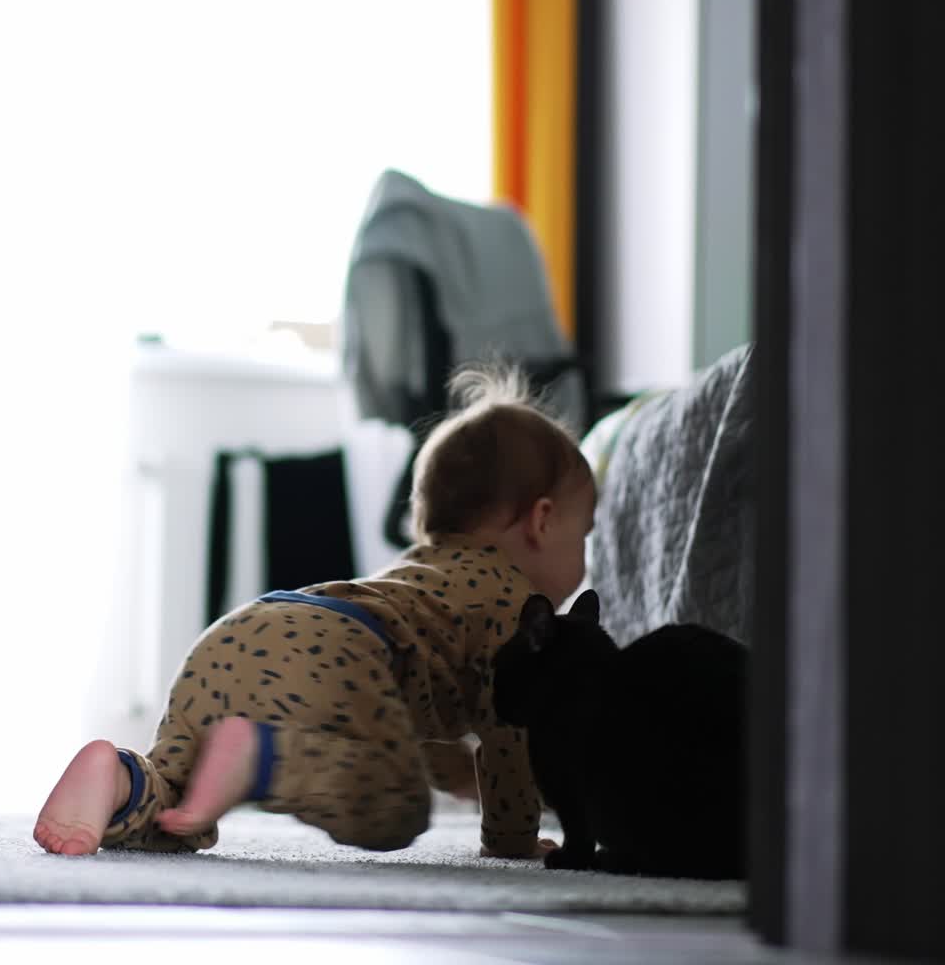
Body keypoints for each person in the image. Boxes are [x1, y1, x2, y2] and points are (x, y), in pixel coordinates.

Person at [34, 361, 596, 860]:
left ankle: (121, 781)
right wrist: (514, 839)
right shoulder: (515, 605)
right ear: (542, 522)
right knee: (395, 808)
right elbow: (508, 739)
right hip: (339, 651)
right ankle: (259, 757)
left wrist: (454, 774)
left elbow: (416, 729)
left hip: (244, 632)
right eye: (584, 535)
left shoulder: (424, 578)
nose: (585, 555)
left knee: (178, 806)